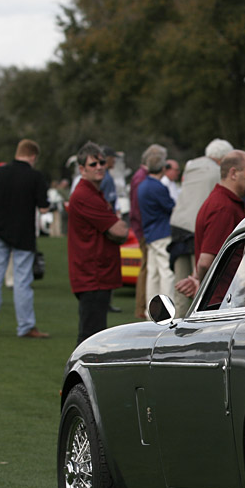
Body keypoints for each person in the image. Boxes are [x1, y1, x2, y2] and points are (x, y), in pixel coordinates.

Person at [0, 139, 51, 338]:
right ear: (33, 156)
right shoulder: (35, 177)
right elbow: (44, 207)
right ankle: (26, 326)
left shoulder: (0, 172)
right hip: (23, 233)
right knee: (22, 281)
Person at [67, 142, 130, 345]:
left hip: (98, 273)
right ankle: (79, 376)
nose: (99, 167)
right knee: (89, 339)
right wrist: (115, 227)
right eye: (93, 164)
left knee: (95, 336)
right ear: (82, 169)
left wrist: (114, 228)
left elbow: (117, 230)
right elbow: (120, 230)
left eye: (102, 162)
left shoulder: (95, 192)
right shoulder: (85, 195)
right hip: (92, 275)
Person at [174, 150, 245, 300]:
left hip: (224, 298)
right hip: (222, 301)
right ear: (233, 173)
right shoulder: (223, 207)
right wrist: (202, 286)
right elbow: (205, 262)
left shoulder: (224, 202)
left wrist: (196, 279)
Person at [169, 138, 235, 317]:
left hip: (178, 225)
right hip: (196, 228)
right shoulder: (218, 172)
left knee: (180, 282)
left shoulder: (191, 167)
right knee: (198, 283)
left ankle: (177, 320)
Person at [137, 145, 176, 303]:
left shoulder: (143, 186)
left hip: (149, 233)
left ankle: (150, 308)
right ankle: (168, 308)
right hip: (162, 233)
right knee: (166, 272)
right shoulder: (158, 187)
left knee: (152, 274)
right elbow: (170, 207)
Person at [127, 149, 150, 319]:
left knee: (146, 266)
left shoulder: (138, 176)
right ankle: (141, 307)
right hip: (144, 229)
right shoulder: (141, 178)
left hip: (140, 227)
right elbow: (139, 207)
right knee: (146, 266)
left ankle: (141, 306)